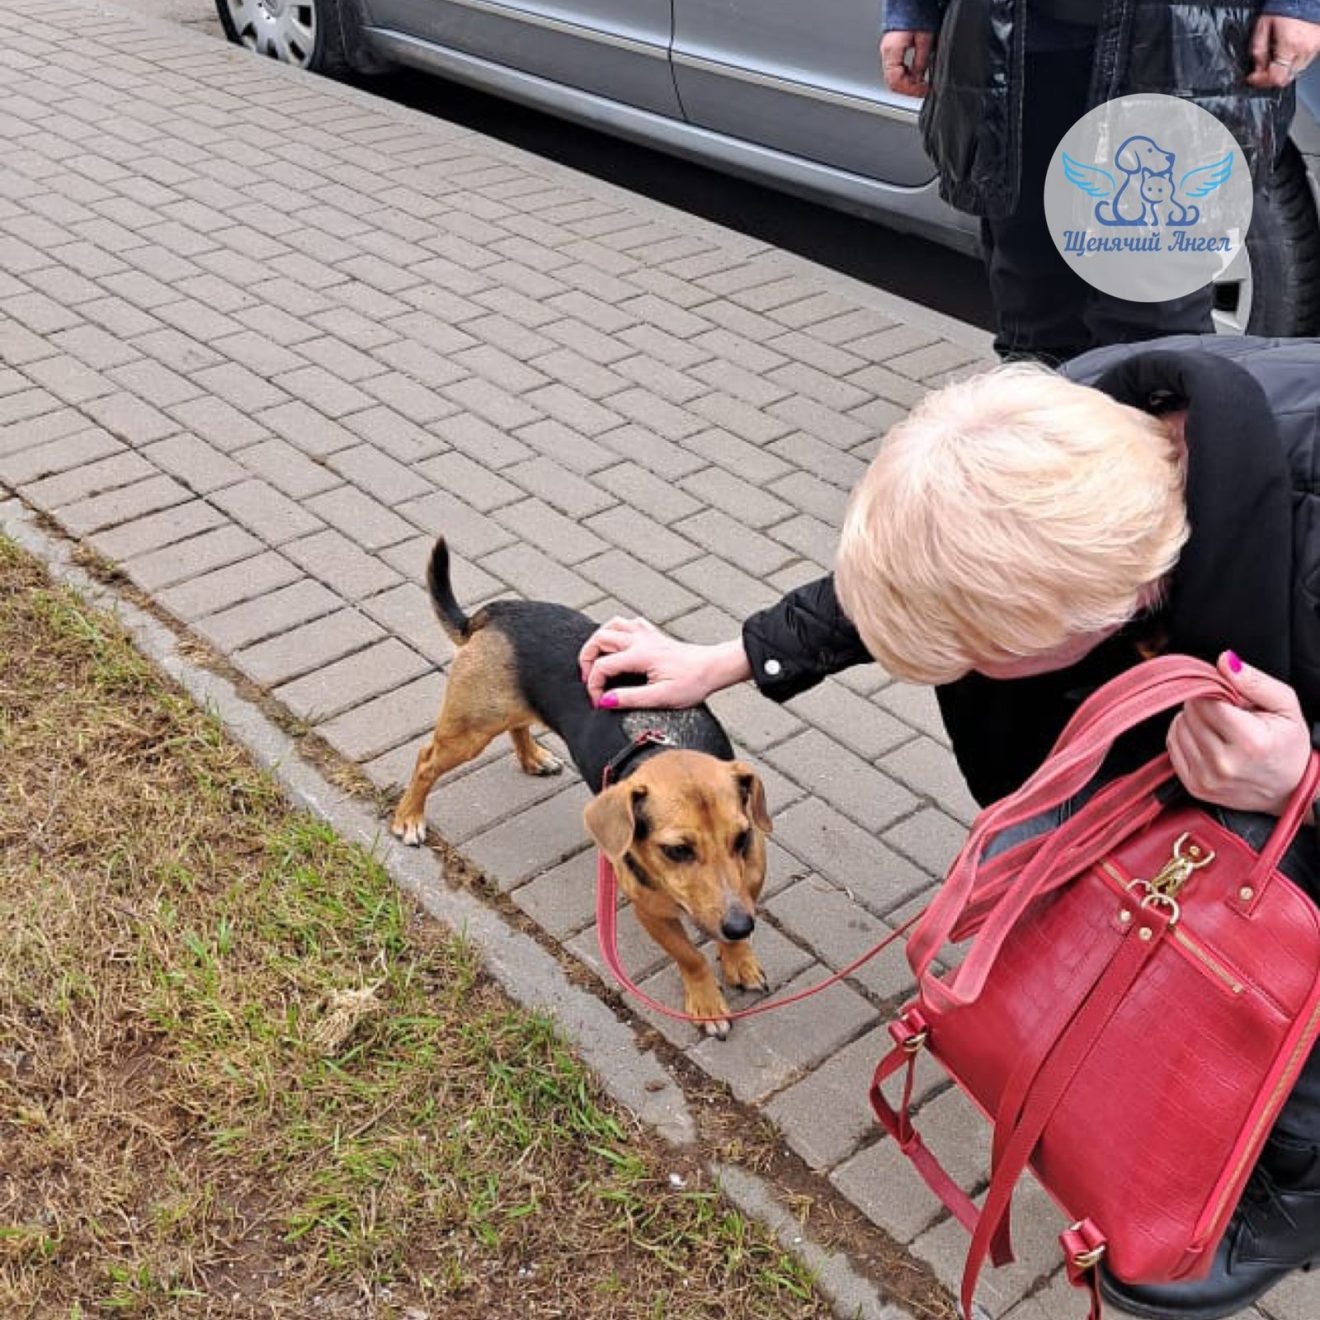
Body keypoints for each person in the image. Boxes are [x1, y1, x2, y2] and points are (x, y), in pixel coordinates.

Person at [578, 333, 1320, 1319]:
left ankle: (1295, 1182)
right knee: (1048, 879)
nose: (946, 670)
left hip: (1287, 747)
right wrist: (727, 660)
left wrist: (1303, 776)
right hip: (1203, 708)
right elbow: (920, 579)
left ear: (1096, 611)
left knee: (1285, 951)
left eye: (971, 655)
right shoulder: (1063, 439)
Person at [876, 0, 1320, 363]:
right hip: (1017, 46)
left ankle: (1145, 465)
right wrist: (910, 9)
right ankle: (1046, 464)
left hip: (1174, 45)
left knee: (1156, 327)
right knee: (1033, 314)